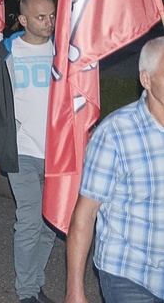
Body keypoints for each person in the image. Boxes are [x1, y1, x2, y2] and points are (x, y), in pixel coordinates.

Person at [66, 37, 164, 303]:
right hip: (130, 274)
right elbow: (85, 215)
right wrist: (75, 289)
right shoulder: (116, 134)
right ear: (146, 79)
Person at [0, 0, 57, 303]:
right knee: (30, 220)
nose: (48, 22)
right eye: (41, 17)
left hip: (58, 154)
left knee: (51, 222)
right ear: (23, 20)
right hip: (21, 150)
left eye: (51, 16)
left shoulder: (64, 53)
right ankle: (26, 292)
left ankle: (35, 284)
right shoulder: (5, 56)